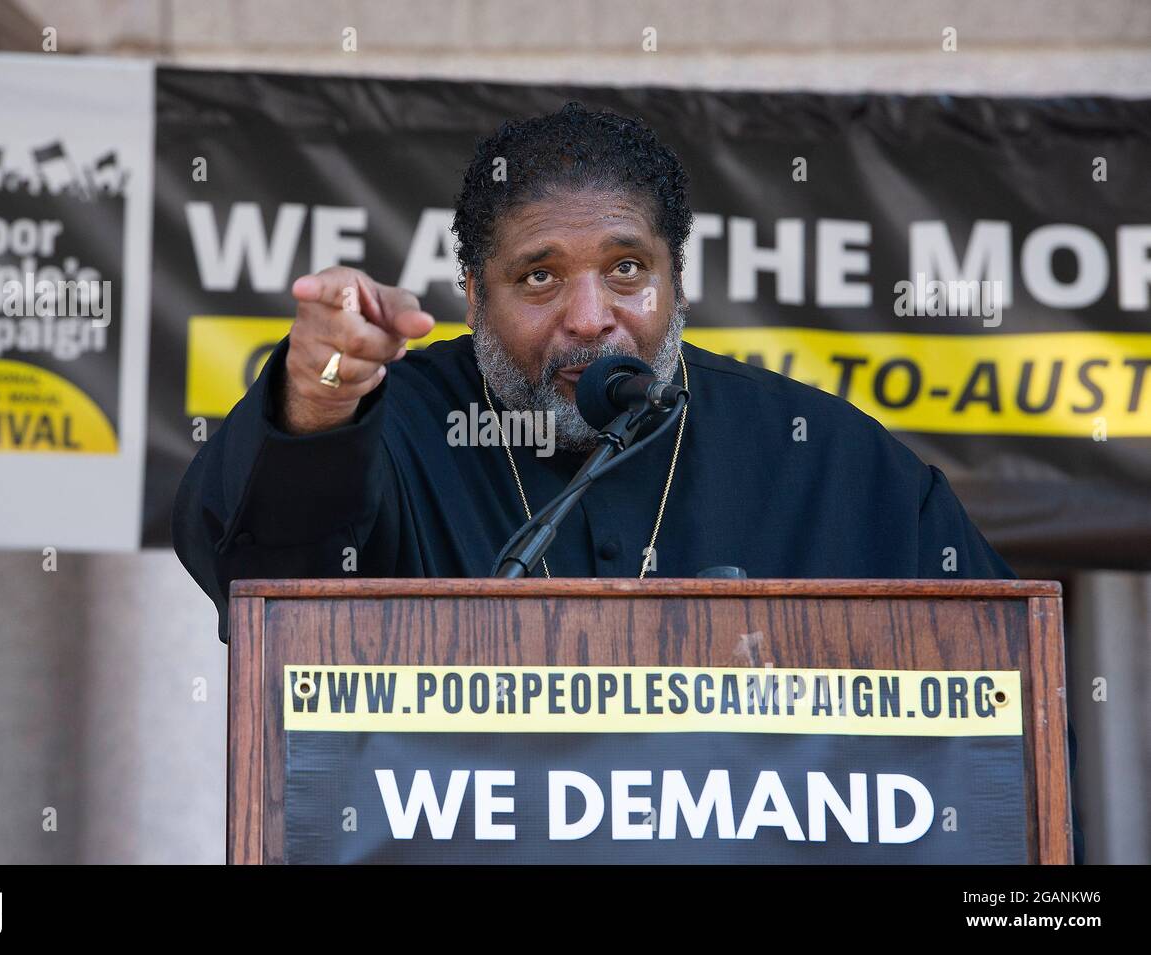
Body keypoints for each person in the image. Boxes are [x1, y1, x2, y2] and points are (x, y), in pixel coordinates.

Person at [171, 103, 1082, 861]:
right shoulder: (399, 421)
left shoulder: (824, 455)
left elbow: (1005, 712)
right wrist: (316, 401)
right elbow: (263, 577)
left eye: (627, 270)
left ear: (676, 283)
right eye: (538, 276)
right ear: (472, 295)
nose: (590, 318)